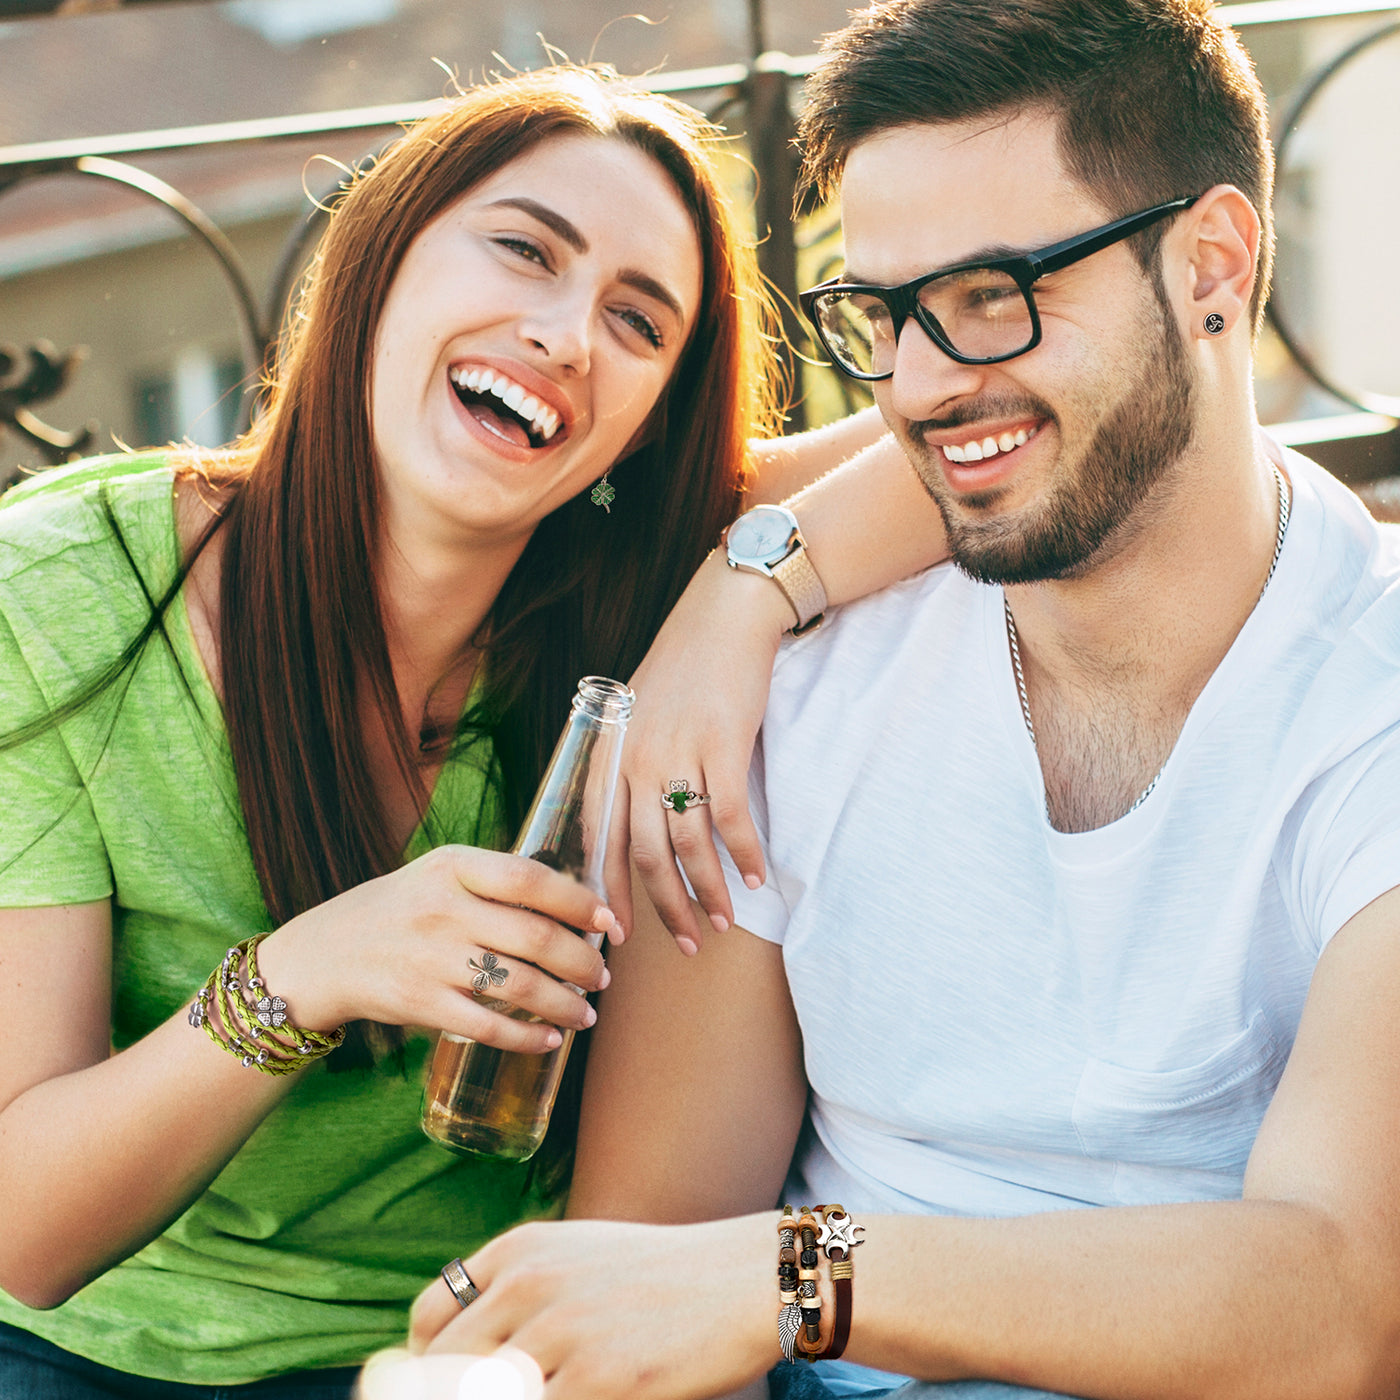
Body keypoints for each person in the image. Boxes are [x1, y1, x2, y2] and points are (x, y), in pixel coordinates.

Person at [409, 4, 1400, 1399]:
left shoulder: (1374, 697)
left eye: (995, 293)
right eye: (880, 316)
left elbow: (1341, 1303)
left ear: (1212, 266)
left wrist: (797, 1274)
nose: (927, 386)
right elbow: (653, 1246)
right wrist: (740, 592)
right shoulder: (783, 690)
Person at [0, 62, 931, 1397]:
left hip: (484, 1350)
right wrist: (309, 973)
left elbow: (988, 438)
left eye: (638, 320)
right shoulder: (62, 595)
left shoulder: (637, 573)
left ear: (649, 420)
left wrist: (740, 597)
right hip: (95, 1357)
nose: (565, 334)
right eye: (522, 251)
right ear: (380, 259)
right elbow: (28, 1232)